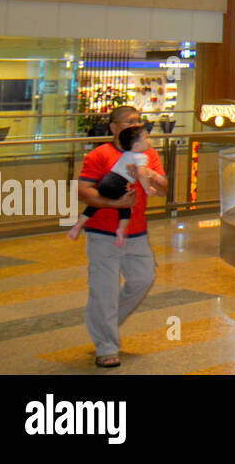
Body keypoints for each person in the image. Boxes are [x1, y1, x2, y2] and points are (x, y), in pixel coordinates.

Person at [78, 106, 168, 368]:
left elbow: (162, 189)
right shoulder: (99, 155)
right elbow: (83, 192)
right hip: (102, 232)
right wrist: (114, 205)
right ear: (114, 128)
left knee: (143, 278)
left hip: (136, 230)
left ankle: (105, 320)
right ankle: (106, 346)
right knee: (104, 291)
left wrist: (153, 177)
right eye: (129, 121)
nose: (135, 124)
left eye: (139, 121)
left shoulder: (148, 153)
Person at [68, 125, 158, 246]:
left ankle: (78, 225)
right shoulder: (141, 156)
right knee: (125, 207)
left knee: (94, 206)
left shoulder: (126, 153)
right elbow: (141, 174)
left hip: (108, 179)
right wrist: (148, 188)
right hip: (120, 182)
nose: (149, 140)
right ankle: (121, 231)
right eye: (146, 138)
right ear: (136, 146)